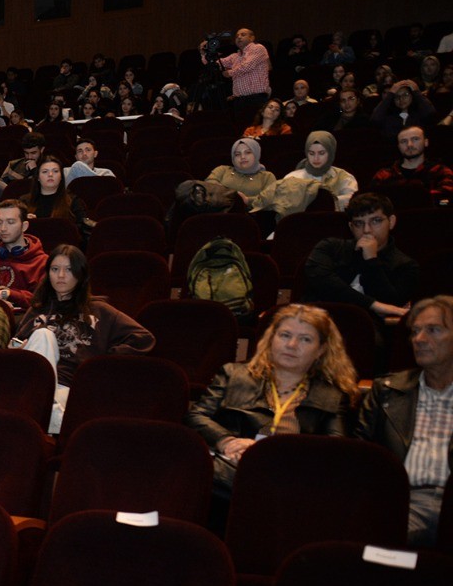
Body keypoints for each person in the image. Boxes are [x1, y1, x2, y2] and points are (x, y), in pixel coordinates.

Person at [186, 304, 355, 498]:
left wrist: (273, 453)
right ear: (271, 339)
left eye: (305, 339)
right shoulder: (233, 374)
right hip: (227, 475)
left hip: (290, 482)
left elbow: (335, 450)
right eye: (285, 335)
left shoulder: (331, 395)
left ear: (321, 350)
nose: (292, 345)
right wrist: (227, 441)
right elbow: (196, 415)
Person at [14, 246, 155, 432]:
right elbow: (16, 344)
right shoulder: (37, 309)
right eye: (55, 269)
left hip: (70, 386)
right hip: (33, 384)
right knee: (42, 335)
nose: (61, 275)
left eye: (68, 269)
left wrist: (103, 361)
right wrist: (17, 350)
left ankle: (49, 414)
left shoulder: (99, 310)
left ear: (80, 274)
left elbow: (144, 338)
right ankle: (53, 416)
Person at [355, 296, 453, 545]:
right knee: (368, 547)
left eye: (433, 330)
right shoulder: (388, 390)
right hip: (404, 503)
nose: (419, 339)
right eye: (415, 331)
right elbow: (359, 457)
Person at [301, 192, 418, 332]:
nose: (367, 230)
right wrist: (373, 304)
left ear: (391, 222)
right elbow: (323, 283)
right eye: (359, 223)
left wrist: (371, 260)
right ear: (351, 227)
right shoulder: (329, 247)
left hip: (366, 331)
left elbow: (390, 306)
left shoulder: (406, 265)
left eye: (376, 221)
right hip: (315, 323)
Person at [0, 200, 48, 314]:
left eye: (10, 222)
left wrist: (8, 294)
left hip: (23, 318)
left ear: (24, 226)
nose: (3, 228)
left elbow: (43, 301)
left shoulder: (42, 262)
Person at [204, 27, 271, 124]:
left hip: (256, 99)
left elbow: (247, 66)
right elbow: (214, 64)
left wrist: (229, 73)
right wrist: (205, 53)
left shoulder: (258, 48)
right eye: (237, 36)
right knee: (240, 129)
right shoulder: (235, 56)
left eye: (243, 35)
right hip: (239, 100)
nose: (239, 37)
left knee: (256, 128)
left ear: (252, 38)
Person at [372, 126, 453, 200]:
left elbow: (447, 197)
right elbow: (372, 199)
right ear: (398, 146)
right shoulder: (384, 174)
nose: (409, 145)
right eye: (403, 141)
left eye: (415, 139)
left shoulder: (440, 171)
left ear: (426, 142)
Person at [286, 130, 357, 209]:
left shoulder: (344, 177)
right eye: (311, 153)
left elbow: (352, 203)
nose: (316, 158)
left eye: (321, 153)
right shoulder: (293, 178)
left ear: (331, 153)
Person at [20, 157, 91, 232]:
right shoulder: (24, 201)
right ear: (38, 177)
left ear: (61, 177)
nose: (50, 174)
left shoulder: (73, 201)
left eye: (55, 171)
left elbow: (82, 229)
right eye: (45, 172)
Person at [207, 137, 276, 213]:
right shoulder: (223, 170)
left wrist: (247, 200)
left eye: (248, 152)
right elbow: (209, 184)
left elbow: (271, 200)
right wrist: (229, 193)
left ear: (256, 154)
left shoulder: (267, 176)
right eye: (237, 154)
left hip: (251, 217)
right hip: (217, 214)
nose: (242, 157)